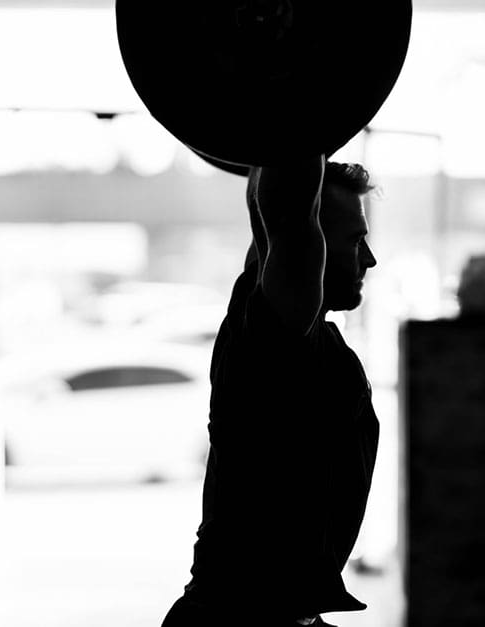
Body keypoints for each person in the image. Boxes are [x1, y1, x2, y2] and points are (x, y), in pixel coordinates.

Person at [162, 157, 380, 627]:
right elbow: (284, 213)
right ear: (313, 243)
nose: (369, 258)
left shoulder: (311, 338)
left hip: (288, 615)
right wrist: (297, 118)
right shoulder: (276, 334)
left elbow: (271, 208)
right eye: (355, 240)